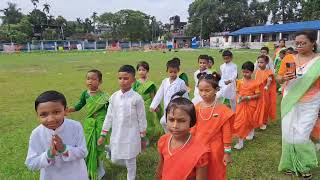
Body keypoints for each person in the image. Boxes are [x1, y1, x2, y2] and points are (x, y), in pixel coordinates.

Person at [277, 31, 320, 179]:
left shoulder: (318, 61)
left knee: (301, 136)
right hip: (290, 99)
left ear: (313, 43)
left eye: (303, 43)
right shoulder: (289, 58)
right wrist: (283, 78)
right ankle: (289, 164)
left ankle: (305, 165)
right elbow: (278, 79)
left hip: (311, 102)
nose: (299, 46)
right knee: (289, 134)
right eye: (297, 43)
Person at [98, 65, 147, 180]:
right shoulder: (114, 97)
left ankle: (131, 177)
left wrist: (143, 136)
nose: (122, 81)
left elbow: (142, 118)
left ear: (133, 80)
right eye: (120, 78)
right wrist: (103, 134)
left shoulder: (136, 98)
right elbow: (109, 116)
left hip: (131, 135)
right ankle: (110, 149)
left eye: (126, 78)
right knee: (115, 158)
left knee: (130, 159)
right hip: (117, 133)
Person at [25, 90, 88, 180]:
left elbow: (83, 152)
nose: (50, 119)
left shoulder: (75, 126)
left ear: (65, 111)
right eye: (43, 115)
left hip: (76, 174)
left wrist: (64, 149)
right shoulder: (36, 134)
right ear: (37, 116)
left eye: (56, 112)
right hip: (50, 176)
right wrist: (48, 154)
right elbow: (31, 164)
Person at [156, 91, 209, 180]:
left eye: (181, 121)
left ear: (191, 122)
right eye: (171, 120)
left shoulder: (200, 151)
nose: (175, 126)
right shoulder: (163, 141)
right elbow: (160, 168)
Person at [191, 73, 234, 180]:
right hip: (199, 148)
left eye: (207, 90)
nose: (203, 94)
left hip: (216, 150)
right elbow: (192, 128)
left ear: (216, 89)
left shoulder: (223, 110)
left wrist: (227, 153)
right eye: (200, 90)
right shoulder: (196, 108)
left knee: (216, 172)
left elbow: (227, 133)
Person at [68, 69, 109, 179]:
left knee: (98, 146)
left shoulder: (105, 97)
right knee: (88, 146)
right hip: (89, 124)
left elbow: (111, 111)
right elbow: (79, 105)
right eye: (88, 78)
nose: (90, 81)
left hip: (101, 124)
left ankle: (99, 170)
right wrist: (68, 110)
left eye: (94, 79)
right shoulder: (85, 94)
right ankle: (88, 169)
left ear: (100, 81)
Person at [150, 59, 189, 133]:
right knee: (163, 122)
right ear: (167, 71)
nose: (172, 74)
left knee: (170, 123)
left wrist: (187, 108)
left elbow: (185, 96)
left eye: (175, 72)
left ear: (178, 71)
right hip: (166, 107)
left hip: (176, 108)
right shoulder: (165, 81)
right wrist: (153, 105)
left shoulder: (181, 82)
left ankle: (174, 137)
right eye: (170, 72)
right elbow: (159, 94)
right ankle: (169, 136)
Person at [133, 61, 163, 141]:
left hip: (148, 105)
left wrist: (155, 106)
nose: (141, 72)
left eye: (143, 70)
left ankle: (148, 137)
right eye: (139, 70)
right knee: (138, 120)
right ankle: (139, 137)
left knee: (148, 121)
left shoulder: (150, 84)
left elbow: (153, 96)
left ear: (147, 71)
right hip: (138, 104)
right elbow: (133, 94)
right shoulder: (136, 83)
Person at [233, 61, 260, 150]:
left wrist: (248, 98)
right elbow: (237, 91)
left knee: (250, 120)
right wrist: (239, 96)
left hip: (251, 105)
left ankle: (251, 132)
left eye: (247, 72)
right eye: (243, 72)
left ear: (252, 72)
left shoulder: (255, 83)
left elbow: (258, 95)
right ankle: (240, 141)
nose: (245, 74)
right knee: (240, 122)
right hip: (241, 105)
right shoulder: (239, 82)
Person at [254, 55, 277, 130]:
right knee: (257, 107)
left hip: (265, 93)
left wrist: (267, 86)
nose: (259, 64)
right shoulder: (257, 71)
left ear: (266, 62)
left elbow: (269, 80)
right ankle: (258, 121)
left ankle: (264, 122)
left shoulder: (269, 72)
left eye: (262, 62)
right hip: (258, 92)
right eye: (258, 62)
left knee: (265, 107)